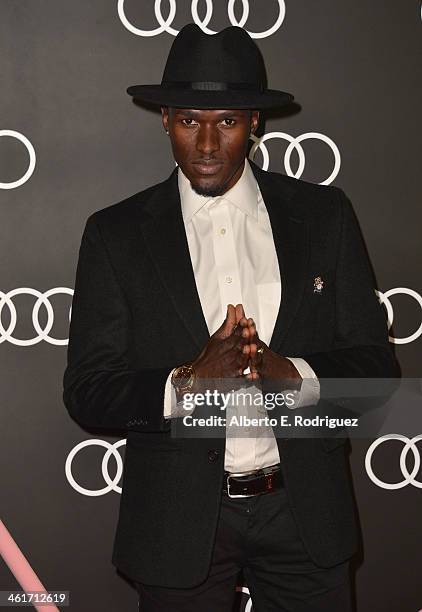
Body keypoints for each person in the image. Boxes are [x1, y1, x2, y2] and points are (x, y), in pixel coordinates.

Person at [63, 23, 399, 611]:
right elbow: (89, 392)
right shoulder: (114, 234)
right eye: (191, 120)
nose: (210, 144)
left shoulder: (324, 217)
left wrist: (292, 377)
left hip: (305, 513)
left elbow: (377, 368)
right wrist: (187, 385)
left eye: (228, 122)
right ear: (165, 118)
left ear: (255, 122)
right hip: (175, 520)